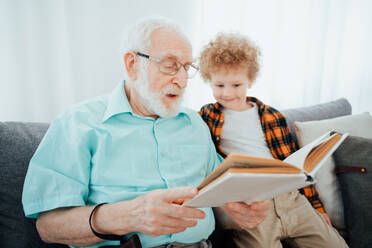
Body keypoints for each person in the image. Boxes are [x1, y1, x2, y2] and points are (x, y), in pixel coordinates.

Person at [21, 17, 270, 248]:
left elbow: (219, 206)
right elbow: (48, 226)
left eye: (187, 67)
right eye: (171, 65)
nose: (182, 80)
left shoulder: (195, 123)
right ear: (132, 64)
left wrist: (239, 214)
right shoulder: (78, 123)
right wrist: (129, 215)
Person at [198, 32, 349, 248]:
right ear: (208, 80)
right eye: (219, 85)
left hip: (290, 198)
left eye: (236, 85)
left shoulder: (273, 116)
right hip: (253, 205)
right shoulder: (206, 116)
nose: (227, 93)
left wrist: (318, 208)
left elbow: (298, 167)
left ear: (250, 80)